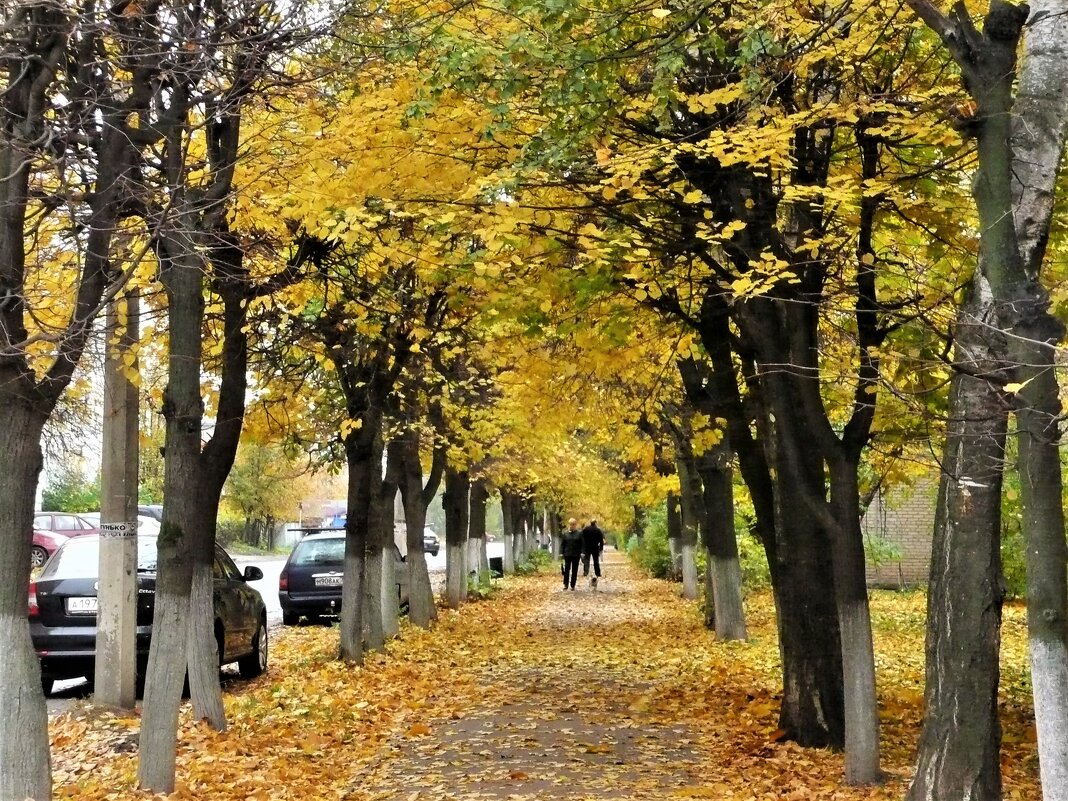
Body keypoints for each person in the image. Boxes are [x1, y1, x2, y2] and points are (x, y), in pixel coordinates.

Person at [560, 518, 583, 590]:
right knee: (567, 569)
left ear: (575, 525)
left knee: (574, 570)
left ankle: (573, 585)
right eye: (571, 524)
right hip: (567, 554)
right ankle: (565, 584)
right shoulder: (565, 534)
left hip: (576, 555)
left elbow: (582, 544)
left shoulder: (579, 534)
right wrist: (561, 553)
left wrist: (582, 552)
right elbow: (562, 544)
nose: (572, 526)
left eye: (573, 524)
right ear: (569, 524)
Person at [581, 518, 605, 588]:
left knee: (587, 560)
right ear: (595, 523)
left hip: (587, 547)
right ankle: (598, 572)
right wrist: (601, 549)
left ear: (590, 523)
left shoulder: (586, 529)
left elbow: (582, 538)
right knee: (596, 561)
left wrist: (583, 547)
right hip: (595, 547)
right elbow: (601, 540)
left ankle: (586, 572)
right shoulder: (598, 530)